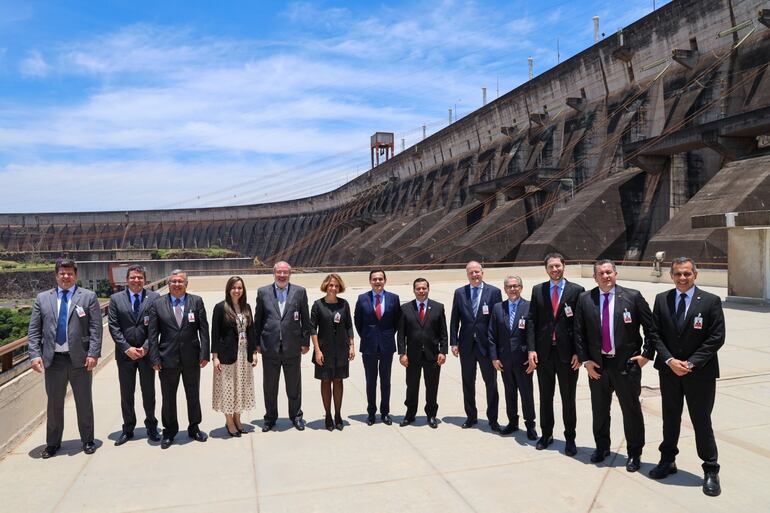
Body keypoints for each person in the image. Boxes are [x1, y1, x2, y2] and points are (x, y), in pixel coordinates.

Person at [648, 257, 725, 497]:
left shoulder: (710, 301)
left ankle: (710, 469)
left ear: (695, 275)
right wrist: (670, 360)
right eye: (678, 274)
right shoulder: (662, 299)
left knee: (701, 421)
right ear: (671, 276)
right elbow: (654, 334)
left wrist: (690, 363)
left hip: (699, 373)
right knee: (670, 418)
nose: (683, 278)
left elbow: (716, 337)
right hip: (669, 372)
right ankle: (668, 460)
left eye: (687, 274)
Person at [574, 260, 657, 472]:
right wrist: (586, 361)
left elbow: (652, 329)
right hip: (597, 366)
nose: (605, 276)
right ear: (595, 277)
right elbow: (578, 334)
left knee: (631, 411)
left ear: (616, 273)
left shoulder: (633, 297)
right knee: (600, 411)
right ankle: (602, 448)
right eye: (601, 273)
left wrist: (646, 354)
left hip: (626, 366)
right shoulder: (584, 299)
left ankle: (634, 453)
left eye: (609, 272)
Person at [28, 259, 103, 458]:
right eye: (62, 273)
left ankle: (87, 440)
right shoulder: (43, 298)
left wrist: (93, 353)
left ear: (75, 275)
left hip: (80, 359)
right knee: (54, 404)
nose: (66, 276)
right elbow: (34, 330)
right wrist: (35, 355)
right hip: (53, 361)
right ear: (56, 275)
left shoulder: (88, 297)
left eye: (69, 273)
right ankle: (53, 443)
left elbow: (96, 328)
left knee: (84, 401)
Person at [526, 253, 584, 456]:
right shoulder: (538, 290)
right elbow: (532, 321)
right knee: (545, 397)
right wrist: (532, 349)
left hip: (568, 355)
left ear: (564, 266)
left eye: (558, 266)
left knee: (568, 399)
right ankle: (547, 434)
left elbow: (580, 324)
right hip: (544, 354)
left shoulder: (576, 291)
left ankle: (570, 438)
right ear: (546, 269)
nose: (555, 269)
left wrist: (579, 352)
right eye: (551, 267)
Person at [148, 269, 210, 449]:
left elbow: (203, 331)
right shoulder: (158, 304)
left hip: (192, 358)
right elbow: (152, 335)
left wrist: (204, 353)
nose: (176, 284)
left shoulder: (196, 301)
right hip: (166, 360)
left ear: (186, 284)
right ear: (169, 284)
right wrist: (154, 358)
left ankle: (194, 427)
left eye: (180, 281)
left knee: (193, 394)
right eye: (173, 281)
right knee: (168, 397)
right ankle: (169, 432)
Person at [253, 261, 310, 432]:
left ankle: (296, 416)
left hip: (292, 346)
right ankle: (270, 418)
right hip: (269, 346)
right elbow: (258, 320)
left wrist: (305, 342)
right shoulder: (263, 292)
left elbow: (305, 319)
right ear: (274, 273)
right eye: (279, 272)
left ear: (290, 274)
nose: (282, 276)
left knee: (294, 385)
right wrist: (256, 343)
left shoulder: (299, 292)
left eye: (285, 273)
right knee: (270, 386)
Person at [108, 264, 161, 446]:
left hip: (147, 355)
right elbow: (114, 327)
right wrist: (126, 348)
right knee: (127, 393)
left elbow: (156, 325)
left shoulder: (154, 298)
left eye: (139, 278)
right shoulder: (116, 299)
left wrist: (146, 347)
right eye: (133, 277)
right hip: (125, 356)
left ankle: (152, 426)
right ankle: (128, 428)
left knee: (149, 392)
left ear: (144, 280)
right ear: (127, 279)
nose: (136, 281)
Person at [450, 260, 503, 431]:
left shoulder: (494, 292)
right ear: (467, 275)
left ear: (482, 272)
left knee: (491, 383)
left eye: (477, 272)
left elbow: (498, 320)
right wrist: (454, 342)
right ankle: (471, 416)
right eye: (471, 272)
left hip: (487, 346)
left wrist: (497, 347)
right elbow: (454, 320)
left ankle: (493, 419)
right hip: (466, 346)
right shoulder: (459, 293)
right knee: (468, 382)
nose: (474, 275)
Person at [488, 275, 537, 440]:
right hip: (504, 361)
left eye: (516, 286)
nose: (513, 289)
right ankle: (512, 422)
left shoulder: (529, 307)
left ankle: (530, 425)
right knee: (509, 393)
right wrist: (494, 358)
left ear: (521, 287)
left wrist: (532, 354)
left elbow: (532, 334)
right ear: (505, 289)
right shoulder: (497, 308)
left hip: (524, 361)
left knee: (526, 394)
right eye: (509, 286)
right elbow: (491, 335)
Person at [210, 276, 258, 437]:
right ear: (228, 289)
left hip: (244, 355)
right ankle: (229, 421)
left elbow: (252, 331)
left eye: (240, 288)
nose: (237, 291)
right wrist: (215, 357)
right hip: (227, 355)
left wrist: (254, 353)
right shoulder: (220, 308)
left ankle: (238, 419)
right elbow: (215, 334)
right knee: (228, 388)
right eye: (234, 288)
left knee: (241, 388)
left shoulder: (247, 307)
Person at [397, 278, 448, 429]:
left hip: (433, 355)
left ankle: (431, 415)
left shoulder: (438, 307)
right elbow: (401, 334)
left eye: (424, 288)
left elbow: (443, 333)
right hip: (412, 356)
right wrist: (402, 353)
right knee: (412, 386)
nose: (421, 291)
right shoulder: (405, 308)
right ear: (414, 290)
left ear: (428, 289)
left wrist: (443, 351)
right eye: (418, 288)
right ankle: (410, 414)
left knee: (432, 386)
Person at [354, 269, 401, 426]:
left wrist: (386, 335)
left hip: (387, 345)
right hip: (369, 346)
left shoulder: (394, 298)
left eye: (380, 279)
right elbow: (358, 321)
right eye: (374, 279)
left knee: (386, 380)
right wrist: (367, 336)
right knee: (370, 381)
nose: (377, 281)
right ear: (370, 281)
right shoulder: (362, 299)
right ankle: (371, 413)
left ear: (385, 280)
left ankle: (385, 413)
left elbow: (397, 322)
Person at [310, 273, 355, 431]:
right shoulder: (317, 305)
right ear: (325, 286)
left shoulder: (344, 304)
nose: (333, 288)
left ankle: (337, 414)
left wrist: (352, 346)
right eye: (330, 285)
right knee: (325, 381)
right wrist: (317, 350)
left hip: (341, 349)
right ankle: (328, 415)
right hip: (324, 350)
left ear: (339, 287)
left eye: (336, 285)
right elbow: (312, 329)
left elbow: (349, 325)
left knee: (338, 381)